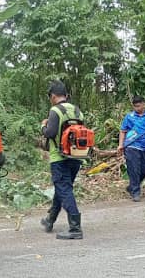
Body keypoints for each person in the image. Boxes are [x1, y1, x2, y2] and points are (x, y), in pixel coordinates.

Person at [39, 80, 84, 240]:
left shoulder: (55, 111)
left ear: (52, 96)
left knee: (64, 189)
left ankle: (75, 227)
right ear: (66, 95)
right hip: (76, 156)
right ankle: (50, 220)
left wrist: (43, 126)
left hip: (59, 157)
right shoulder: (77, 111)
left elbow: (50, 133)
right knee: (63, 188)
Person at [117, 96, 145, 202]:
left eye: (138, 106)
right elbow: (123, 131)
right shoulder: (129, 117)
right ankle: (136, 192)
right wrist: (120, 145)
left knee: (144, 170)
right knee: (134, 169)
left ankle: (131, 187)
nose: (137, 108)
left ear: (144, 104)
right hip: (131, 146)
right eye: (135, 106)